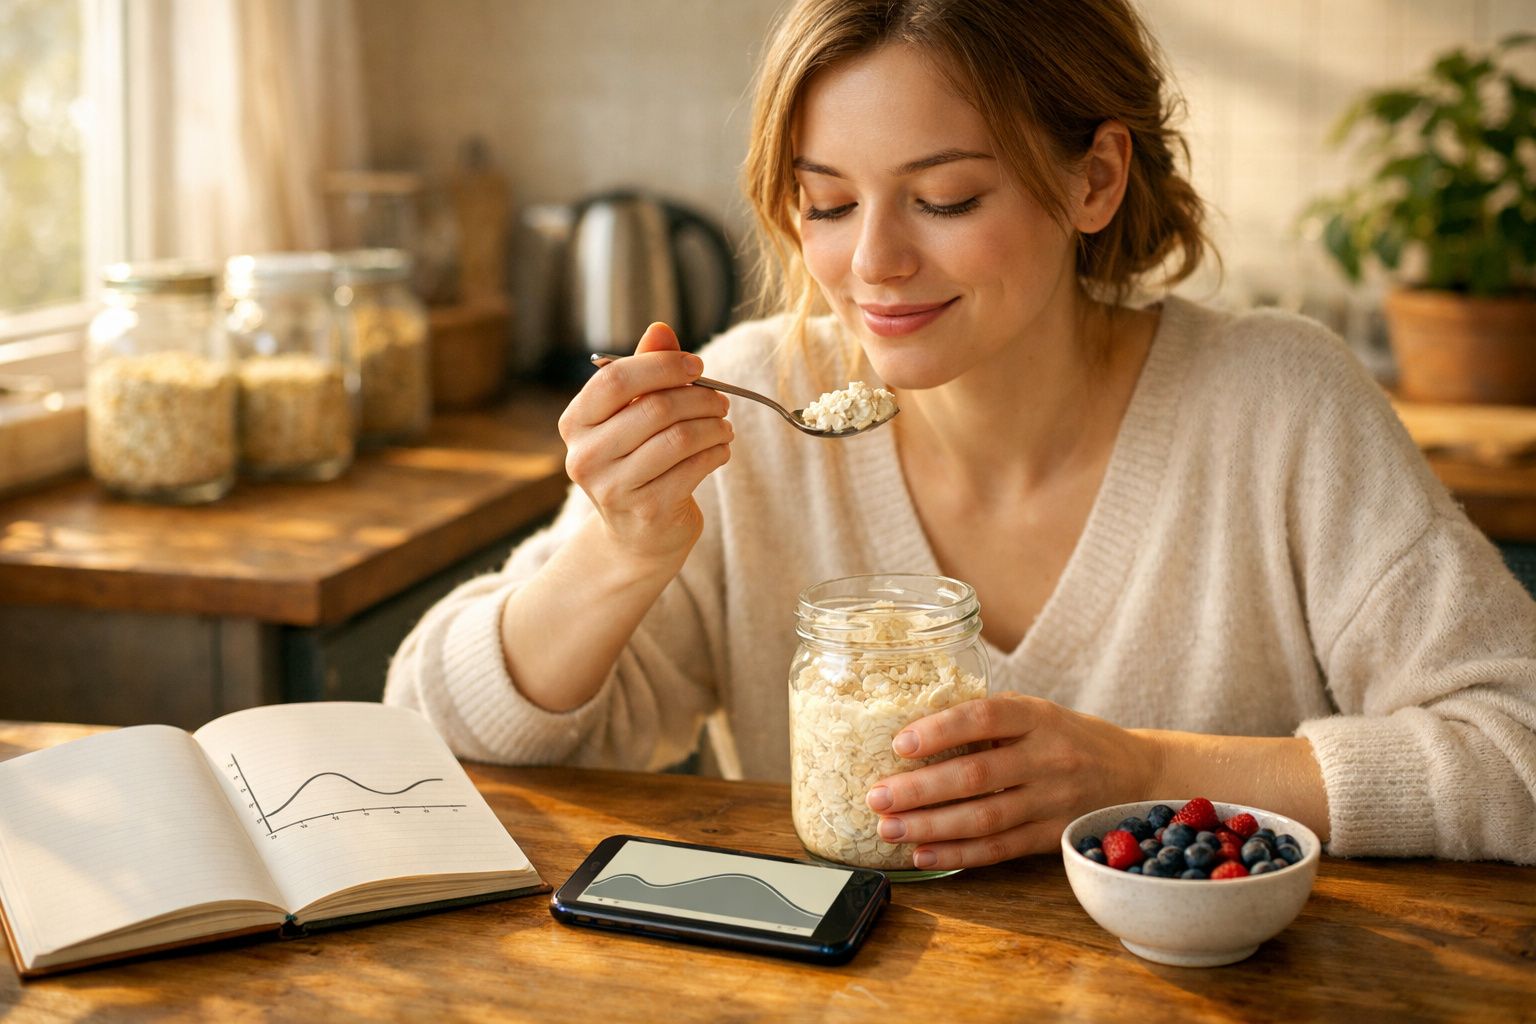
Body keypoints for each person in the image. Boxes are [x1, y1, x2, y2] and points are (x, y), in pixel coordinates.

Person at [386, 0, 1536, 869]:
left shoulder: (1279, 407)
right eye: (826, 203)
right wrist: (616, 551)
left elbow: (1518, 746)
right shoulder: (753, 410)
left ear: (1093, 177)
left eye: (944, 200)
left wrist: (1146, 773)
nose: (872, 264)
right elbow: (425, 736)